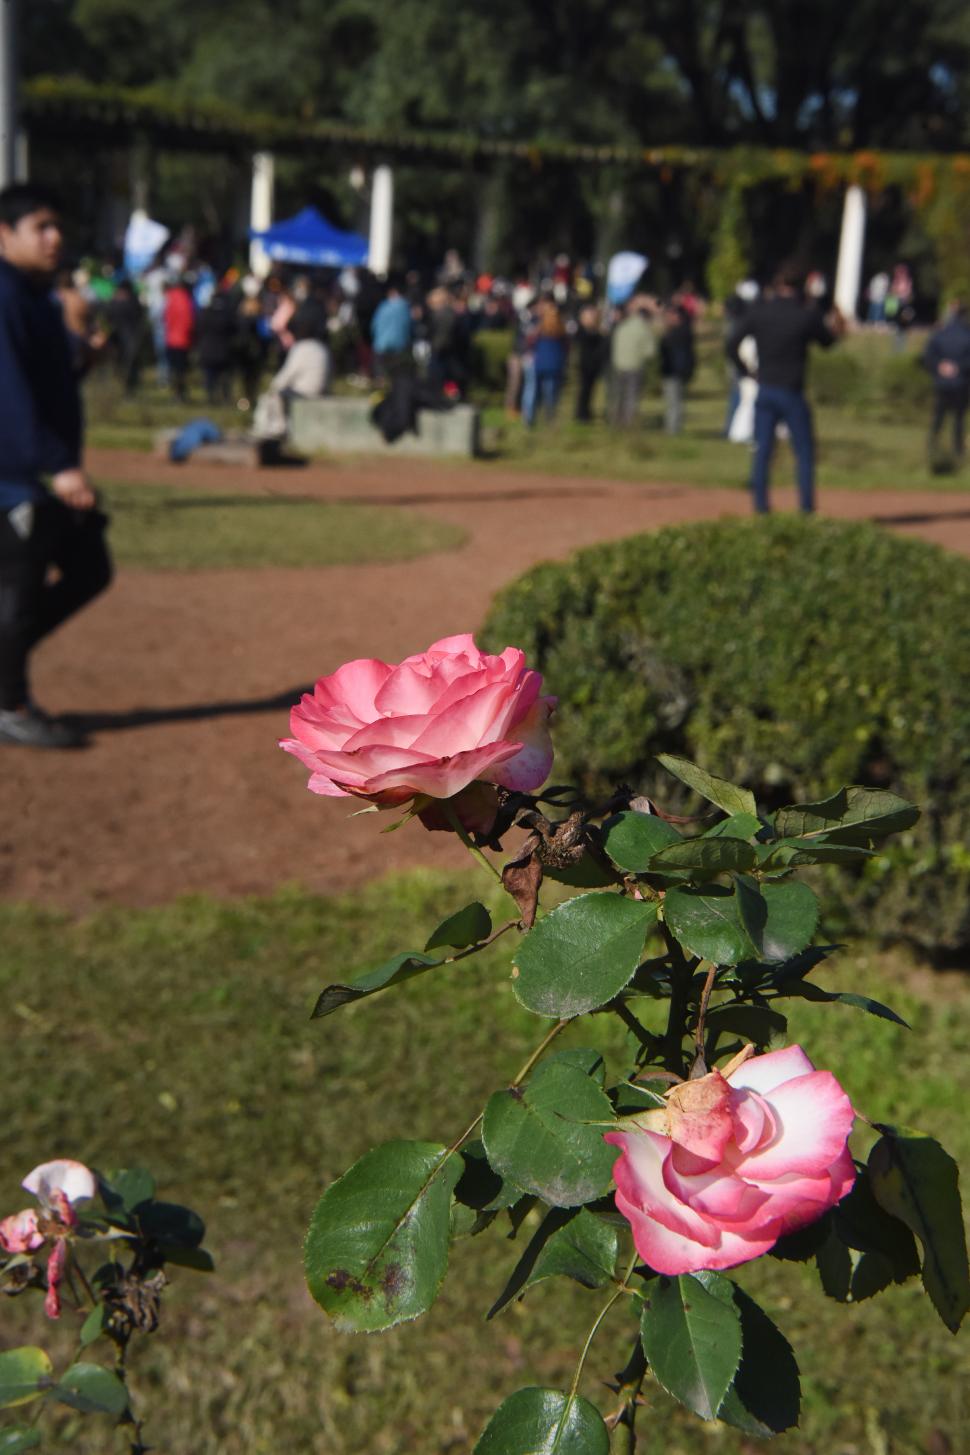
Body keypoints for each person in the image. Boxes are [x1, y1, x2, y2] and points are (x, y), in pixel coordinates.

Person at [0, 183, 112, 748]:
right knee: (17, 595)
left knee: (90, 565)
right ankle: (9, 701)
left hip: (35, 471)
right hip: (14, 477)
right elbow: (9, 391)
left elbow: (47, 386)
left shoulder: (37, 296)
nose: (55, 237)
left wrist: (81, 357)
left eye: (57, 225)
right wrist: (56, 466)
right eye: (40, 226)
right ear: (4, 233)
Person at [727, 263, 843, 513]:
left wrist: (746, 370)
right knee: (804, 452)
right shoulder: (805, 314)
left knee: (763, 453)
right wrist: (837, 326)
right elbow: (827, 342)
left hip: (765, 388)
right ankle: (806, 509)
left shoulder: (761, 312)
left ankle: (761, 509)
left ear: (778, 285)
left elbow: (732, 343)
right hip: (792, 391)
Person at [922, 302, 970, 467]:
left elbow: (927, 357)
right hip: (961, 383)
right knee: (958, 419)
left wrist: (940, 366)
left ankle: (932, 445)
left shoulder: (939, 334)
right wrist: (958, 367)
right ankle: (958, 450)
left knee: (938, 417)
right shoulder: (967, 334)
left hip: (942, 383)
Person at [609, 296, 656, 427]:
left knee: (619, 395)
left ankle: (616, 422)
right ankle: (629, 424)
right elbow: (650, 352)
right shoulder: (644, 329)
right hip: (635, 366)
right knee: (632, 397)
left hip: (619, 365)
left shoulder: (622, 326)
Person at [523, 296, 567, 426]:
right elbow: (566, 347)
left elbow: (529, 343)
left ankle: (531, 419)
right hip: (554, 366)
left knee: (534, 392)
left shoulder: (538, 328)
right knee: (551, 394)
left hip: (540, 364)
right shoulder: (560, 328)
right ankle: (549, 418)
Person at [659, 303, 695, 435]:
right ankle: (672, 428)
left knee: (674, 403)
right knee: (674, 402)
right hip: (674, 371)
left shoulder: (679, 333)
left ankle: (673, 430)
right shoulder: (680, 331)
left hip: (674, 372)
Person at [195, 290, 236, 405]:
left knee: (210, 378)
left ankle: (211, 398)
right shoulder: (227, 314)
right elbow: (234, 330)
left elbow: (198, 329)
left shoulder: (204, 313)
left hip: (207, 350)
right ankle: (225, 398)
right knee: (224, 379)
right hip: (224, 351)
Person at [370, 279, 412, 380]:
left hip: (381, 343)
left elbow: (374, 325)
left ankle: (381, 388)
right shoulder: (405, 307)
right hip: (400, 344)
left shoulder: (383, 306)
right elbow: (409, 325)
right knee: (396, 371)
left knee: (381, 371)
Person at [573, 303, 607, 422]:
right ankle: (581, 413)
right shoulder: (582, 331)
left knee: (590, 390)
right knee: (584, 390)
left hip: (594, 365)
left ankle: (586, 411)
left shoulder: (596, 331)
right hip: (585, 366)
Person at [164, 277, 195, 401]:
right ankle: (180, 393)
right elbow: (189, 321)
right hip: (183, 339)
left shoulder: (170, 297)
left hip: (171, 338)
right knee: (181, 369)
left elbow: (166, 317)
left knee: (174, 368)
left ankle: (176, 393)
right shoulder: (186, 299)